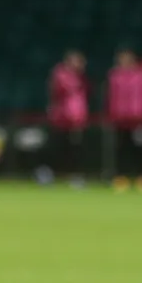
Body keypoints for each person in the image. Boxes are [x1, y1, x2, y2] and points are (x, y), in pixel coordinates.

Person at [106, 49, 142, 190]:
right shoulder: (114, 76)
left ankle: (141, 178)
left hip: (138, 119)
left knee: (140, 150)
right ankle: (121, 178)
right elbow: (110, 97)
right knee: (120, 150)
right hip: (120, 119)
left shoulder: (141, 75)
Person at [45, 50, 89, 187]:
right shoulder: (61, 75)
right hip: (61, 119)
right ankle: (49, 174)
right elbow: (57, 96)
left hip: (76, 120)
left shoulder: (82, 79)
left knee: (74, 150)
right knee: (57, 148)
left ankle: (74, 176)